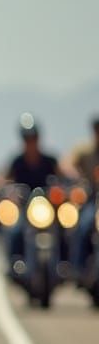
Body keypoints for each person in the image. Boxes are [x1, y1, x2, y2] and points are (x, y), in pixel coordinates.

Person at [3, 114, 60, 274]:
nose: (31, 142)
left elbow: (63, 178)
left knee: (66, 229)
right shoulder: (17, 162)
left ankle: (65, 266)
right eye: (27, 138)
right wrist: (9, 192)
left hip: (47, 209)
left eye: (33, 138)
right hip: (25, 208)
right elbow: (5, 181)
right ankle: (14, 266)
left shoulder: (50, 161)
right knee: (14, 231)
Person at [62, 116, 99, 278]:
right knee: (83, 226)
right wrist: (78, 177)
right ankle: (78, 270)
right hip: (93, 199)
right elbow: (67, 164)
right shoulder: (86, 151)